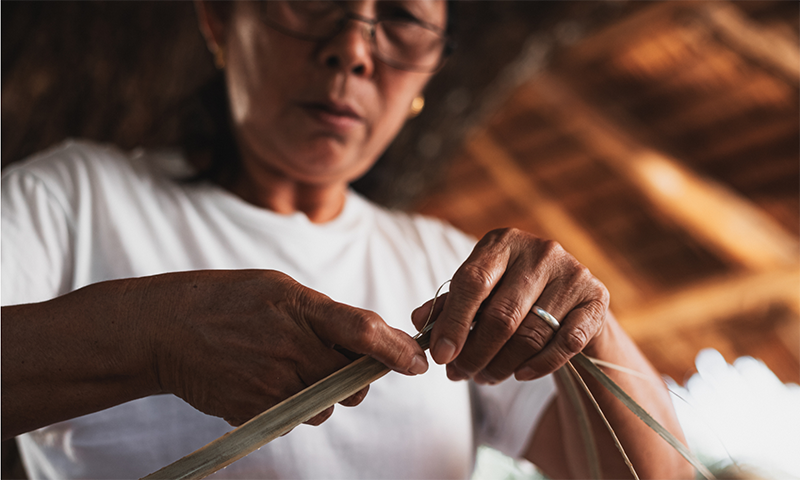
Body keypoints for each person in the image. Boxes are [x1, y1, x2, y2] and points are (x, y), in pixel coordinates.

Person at [1, 0, 693, 478]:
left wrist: (586, 329)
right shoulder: (74, 196)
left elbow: (659, 476)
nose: (354, 50)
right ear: (219, 18)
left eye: (402, 20)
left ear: (430, 71)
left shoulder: (452, 270)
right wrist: (157, 336)